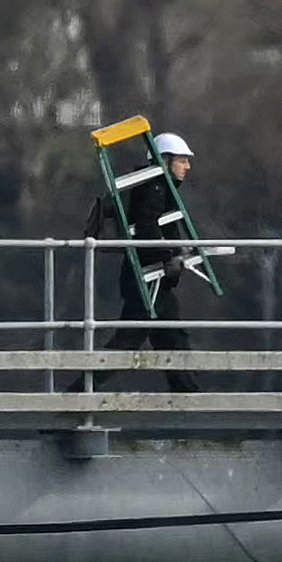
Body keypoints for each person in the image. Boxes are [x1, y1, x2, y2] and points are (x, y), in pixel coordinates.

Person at [86, 130, 208, 393]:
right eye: (182, 160)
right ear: (165, 160)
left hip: (151, 281)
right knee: (128, 344)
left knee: (172, 337)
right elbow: (147, 230)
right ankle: (77, 395)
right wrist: (171, 257)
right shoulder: (156, 188)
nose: (188, 166)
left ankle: (190, 398)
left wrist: (173, 257)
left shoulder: (157, 188)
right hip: (146, 281)